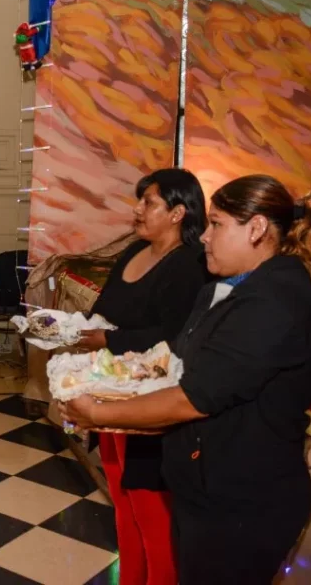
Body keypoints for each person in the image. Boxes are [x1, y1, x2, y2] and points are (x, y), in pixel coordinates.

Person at [61, 175, 311, 585]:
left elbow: (193, 398)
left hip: (244, 504)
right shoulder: (225, 287)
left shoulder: (274, 302)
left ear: (257, 228)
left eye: (217, 224)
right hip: (205, 490)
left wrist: (99, 411)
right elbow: (178, 358)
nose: (205, 236)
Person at [74, 169, 208, 585]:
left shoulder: (189, 265)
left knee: (151, 513)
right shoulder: (134, 251)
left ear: (177, 212)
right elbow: (107, 309)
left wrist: (107, 340)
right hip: (112, 394)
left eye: (148, 202)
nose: (137, 209)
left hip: (151, 402)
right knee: (122, 501)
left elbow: (175, 334)